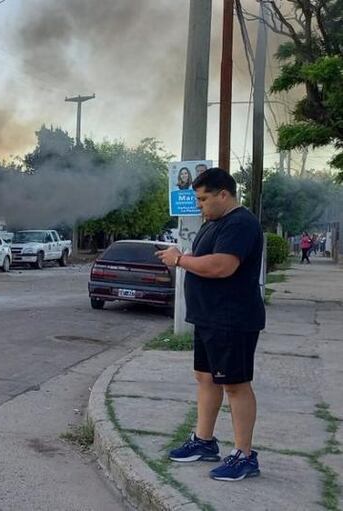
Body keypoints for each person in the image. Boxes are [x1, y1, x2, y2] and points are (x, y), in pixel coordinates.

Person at [156, 168, 265, 482]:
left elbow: (221, 266)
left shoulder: (241, 223)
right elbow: (204, 260)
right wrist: (183, 257)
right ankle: (204, 441)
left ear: (224, 194)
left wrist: (179, 259)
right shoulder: (214, 223)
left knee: (235, 384)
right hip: (208, 318)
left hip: (231, 319)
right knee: (205, 377)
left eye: (204, 199)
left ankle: (245, 456)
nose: (200, 204)